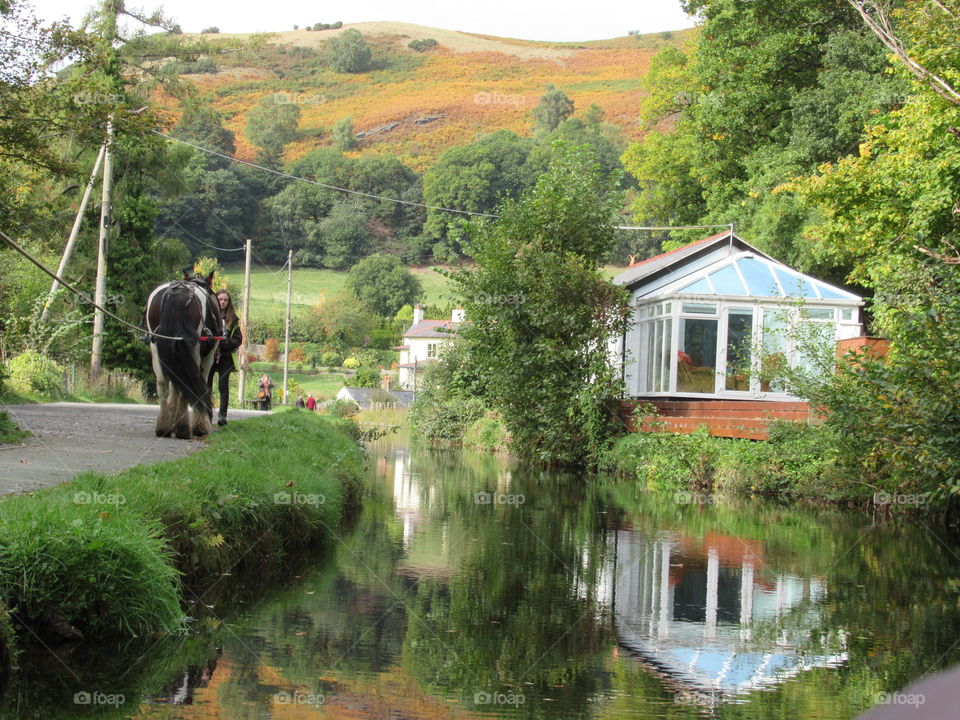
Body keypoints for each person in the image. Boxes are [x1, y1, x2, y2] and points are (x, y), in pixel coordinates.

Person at [207, 290, 242, 426]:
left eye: (225, 300)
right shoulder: (208, 317)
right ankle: (206, 413)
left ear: (228, 302)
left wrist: (226, 343)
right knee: (207, 385)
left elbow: (238, 339)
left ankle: (222, 416)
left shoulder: (233, 319)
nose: (222, 302)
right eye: (220, 299)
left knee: (223, 385)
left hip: (226, 356)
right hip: (209, 355)